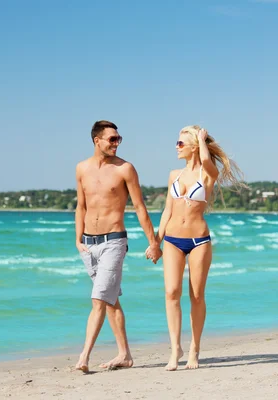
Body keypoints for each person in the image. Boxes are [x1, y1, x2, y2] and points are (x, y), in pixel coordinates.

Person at [152, 125, 245, 371]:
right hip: (172, 239)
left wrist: (203, 139)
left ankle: (194, 349)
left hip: (198, 242)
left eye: (181, 143)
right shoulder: (174, 175)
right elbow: (167, 211)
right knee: (171, 293)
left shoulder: (207, 173)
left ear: (194, 146)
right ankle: (175, 350)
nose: (176, 147)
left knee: (196, 295)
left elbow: (205, 159)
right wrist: (156, 242)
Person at [74, 120, 162, 373]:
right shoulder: (81, 169)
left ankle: (83, 358)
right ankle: (125, 355)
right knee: (110, 300)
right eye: (112, 139)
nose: (116, 143)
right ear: (96, 140)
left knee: (99, 299)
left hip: (114, 241)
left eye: (118, 139)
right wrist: (77, 239)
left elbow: (139, 207)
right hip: (89, 245)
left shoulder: (125, 169)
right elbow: (81, 206)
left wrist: (153, 243)